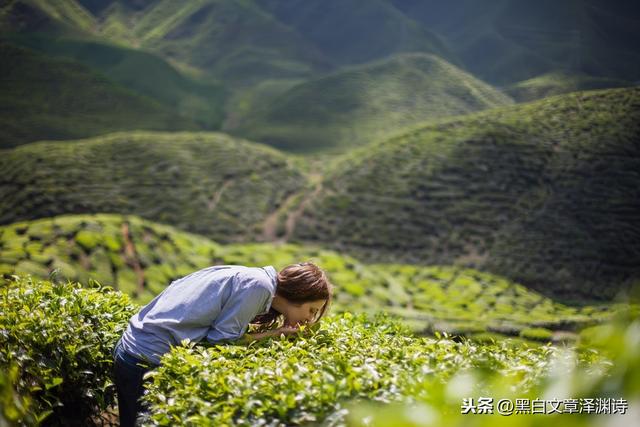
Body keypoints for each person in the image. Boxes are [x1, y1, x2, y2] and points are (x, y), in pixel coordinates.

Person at [112, 262, 333, 427]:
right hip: (144, 357)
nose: (310, 319)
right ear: (299, 293)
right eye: (312, 310)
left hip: (134, 347)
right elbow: (222, 342)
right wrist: (275, 334)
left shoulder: (257, 278)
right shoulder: (260, 287)